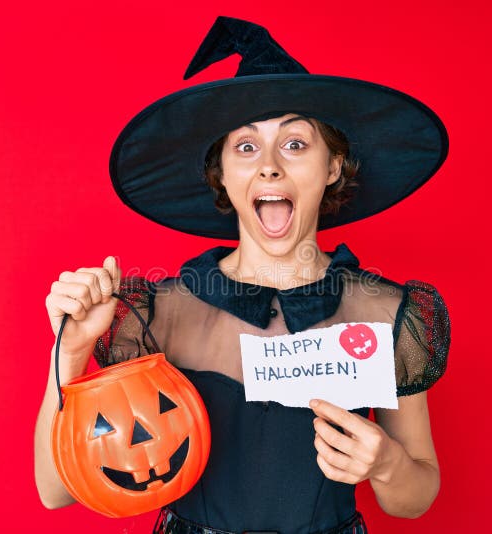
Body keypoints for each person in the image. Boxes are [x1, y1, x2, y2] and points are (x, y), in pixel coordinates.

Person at [35, 17, 451, 534]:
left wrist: (386, 463)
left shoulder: (387, 313)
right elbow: (55, 492)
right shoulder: (155, 315)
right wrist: (70, 352)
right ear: (224, 175)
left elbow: (414, 498)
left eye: (296, 144)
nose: (270, 167)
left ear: (334, 167)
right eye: (246, 147)